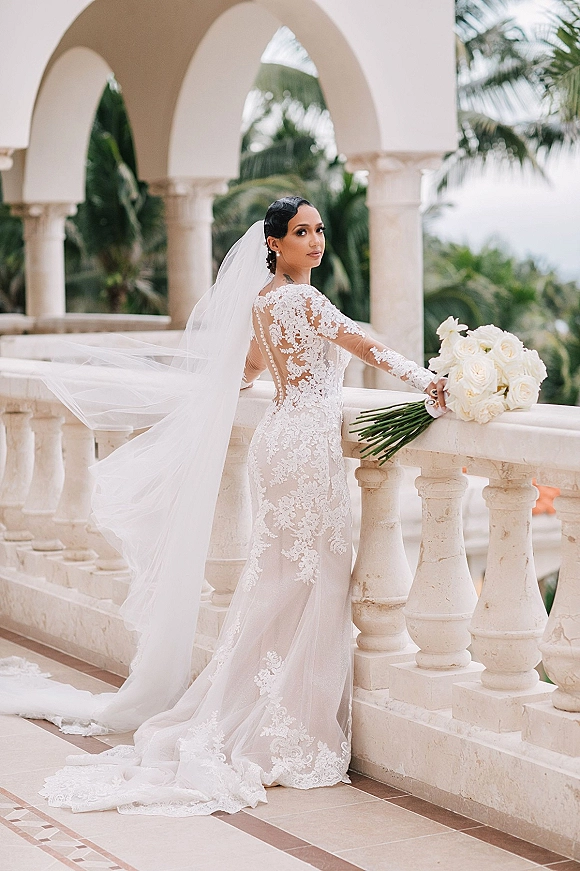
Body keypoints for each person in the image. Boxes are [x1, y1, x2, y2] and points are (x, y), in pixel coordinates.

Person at [2, 197, 445, 815]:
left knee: (283, 582)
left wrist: (205, 404)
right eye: (300, 232)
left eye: (319, 231)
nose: (315, 242)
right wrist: (432, 382)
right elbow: (363, 345)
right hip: (304, 450)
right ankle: (286, 726)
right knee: (308, 584)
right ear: (274, 242)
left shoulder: (262, 303)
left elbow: (248, 369)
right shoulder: (301, 300)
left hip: (281, 442)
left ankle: (257, 711)